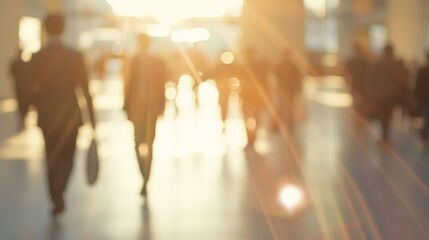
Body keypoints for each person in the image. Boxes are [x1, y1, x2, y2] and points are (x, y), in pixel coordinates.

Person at [30, 13, 96, 215]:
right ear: (64, 28)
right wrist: (92, 117)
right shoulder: (75, 56)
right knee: (69, 156)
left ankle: (55, 195)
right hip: (71, 116)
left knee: (51, 155)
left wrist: (35, 107)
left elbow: (31, 89)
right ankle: (61, 187)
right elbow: (84, 88)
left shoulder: (37, 56)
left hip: (47, 117)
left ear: (46, 29)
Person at [123, 33, 168, 197]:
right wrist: (126, 106)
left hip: (150, 108)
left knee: (148, 142)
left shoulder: (157, 62)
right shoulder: (133, 61)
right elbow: (127, 84)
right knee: (139, 143)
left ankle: (145, 178)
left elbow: (162, 85)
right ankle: (144, 175)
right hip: (138, 107)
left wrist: (162, 107)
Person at [365, 44, 408, 144]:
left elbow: (370, 80)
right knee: (387, 114)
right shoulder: (397, 64)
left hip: (380, 95)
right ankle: (385, 133)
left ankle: (385, 133)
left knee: (382, 114)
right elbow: (404, 79)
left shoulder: (378, 64)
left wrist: (371, 93)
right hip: (392, 95)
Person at [239, 48, 269, 149]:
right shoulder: (258, 67)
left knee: (248, 118)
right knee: (255, 118)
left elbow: (240, 83)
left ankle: (250, 139)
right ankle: (252, 139)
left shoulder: (244, 67)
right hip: (255, 97)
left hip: (249, 97)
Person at [274, 49, 303, 131]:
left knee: (288, 109)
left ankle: (288, 125)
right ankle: (286, 125)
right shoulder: (282, 66)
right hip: (285, 91)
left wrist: (298, 89)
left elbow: (297, 79)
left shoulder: (291, 67)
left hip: (289, 92)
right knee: (285, 109)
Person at [343, 44, 370, 117]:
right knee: (361, 98)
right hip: (362, 82)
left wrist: (346, 80)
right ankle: (359, 113)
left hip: (355, 82)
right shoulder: (364, 60)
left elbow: (346, 71)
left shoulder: (352, 60)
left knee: (355, 98)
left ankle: (357, 112)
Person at [10, 48, 32, 129]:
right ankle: (22, 118)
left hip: (23, 87)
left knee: (24, 103)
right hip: (20, 87)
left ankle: (24, 117)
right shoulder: (17, 64)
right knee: (21, 103)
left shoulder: (23, 64)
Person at [414, 52, 429, 146]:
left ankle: (424, 134)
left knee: (426, 116)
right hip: (425, 98)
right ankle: (424, 134)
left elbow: (417, 85)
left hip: (424, 98)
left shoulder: (422, 70)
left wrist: (416, 97)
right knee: (426, 117)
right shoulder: (422, 70)